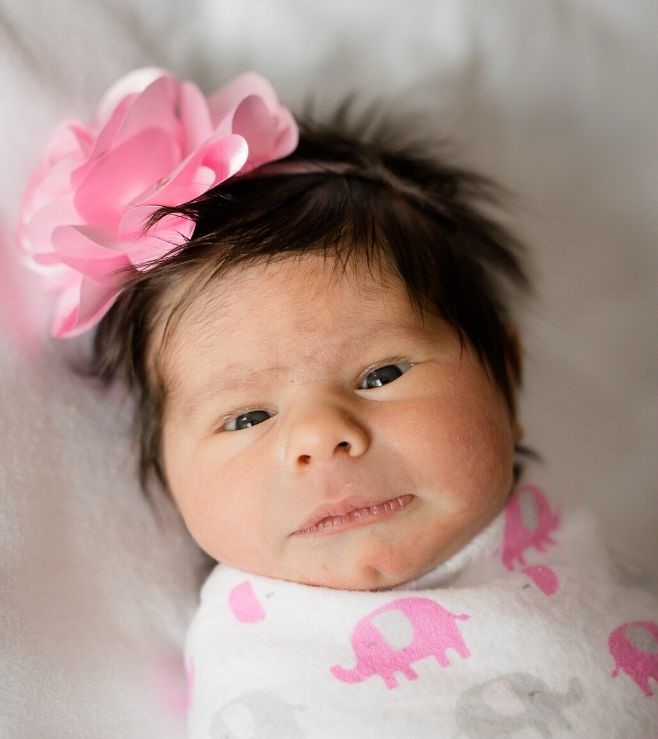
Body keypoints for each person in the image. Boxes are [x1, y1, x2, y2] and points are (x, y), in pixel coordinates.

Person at [19, 68, 658, 738]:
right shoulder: (254, 660)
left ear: (507, 371)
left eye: (381, 373)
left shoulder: (578, 555)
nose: (322, 434)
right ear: (161, 467)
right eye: (246, 417)